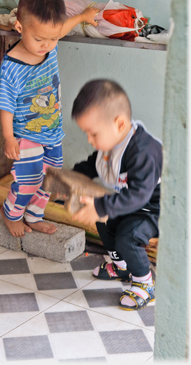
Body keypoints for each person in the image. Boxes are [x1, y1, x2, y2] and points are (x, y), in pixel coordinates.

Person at [0, 0, 99, 238]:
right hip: (25, 134)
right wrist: (8, 137)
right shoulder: (12, 68)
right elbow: (5, 105)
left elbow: (61, 29)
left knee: (50, 178)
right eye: (39, 39)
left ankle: (34, 215)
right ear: (20, 28)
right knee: (29, 179)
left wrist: (83, 17)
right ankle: (11, 213)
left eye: (51, 39)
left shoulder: (50, 43)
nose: (47, 45)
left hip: (52, 132)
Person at [71, 79, 162, 311]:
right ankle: (121, 266)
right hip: (132, 203)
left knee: (128, 236)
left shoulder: (143, 151)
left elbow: (140, 195)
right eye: (87, 135)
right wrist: (69, 178)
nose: (90, 141)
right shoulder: (112, 144)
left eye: (93, 134)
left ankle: (145, 283)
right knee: (104, 222)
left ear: (119, 123)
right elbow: (93, 165)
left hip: (156, 209)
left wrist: (102, 205)